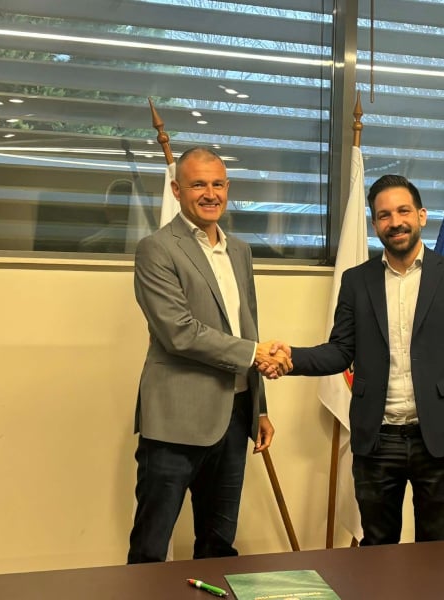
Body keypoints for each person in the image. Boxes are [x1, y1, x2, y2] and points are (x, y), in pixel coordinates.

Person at [267, 174, 444, 545]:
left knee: (438, 552)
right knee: (378, 551)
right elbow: (340, 350)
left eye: (403, 211)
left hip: (439, 441)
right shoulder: (356, 281)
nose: (395, 222)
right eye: (384, 215)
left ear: (421, 216)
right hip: (377, 440)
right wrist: (292, 357)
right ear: (374, 224)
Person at [127, 146, 291, 563]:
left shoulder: (240, 251)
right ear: (176, 189)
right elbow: (179, 333)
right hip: (175, 422)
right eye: (198, 184)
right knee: (150, 549)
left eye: (218, 184)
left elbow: (247, 326)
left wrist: (259, 409)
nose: (210, 193)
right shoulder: (156, 249)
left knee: (218, 548)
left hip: (235, 417)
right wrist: (255, 353)